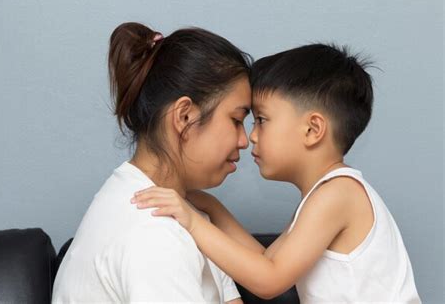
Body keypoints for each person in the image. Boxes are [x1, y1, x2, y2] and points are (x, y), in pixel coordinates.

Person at [132, 44, 422, 303]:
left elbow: (269, 281)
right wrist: (210, 207)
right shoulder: (324, 195)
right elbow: (264, 260)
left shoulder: (339, 194)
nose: (252, 136)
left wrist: (194, 222)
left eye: (261, 120)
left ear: (312, 130)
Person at [52, 22, 253, 303]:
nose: (245, 140)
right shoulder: (152, 234)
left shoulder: (178, 211)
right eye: (236, 120)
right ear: (184, 117)